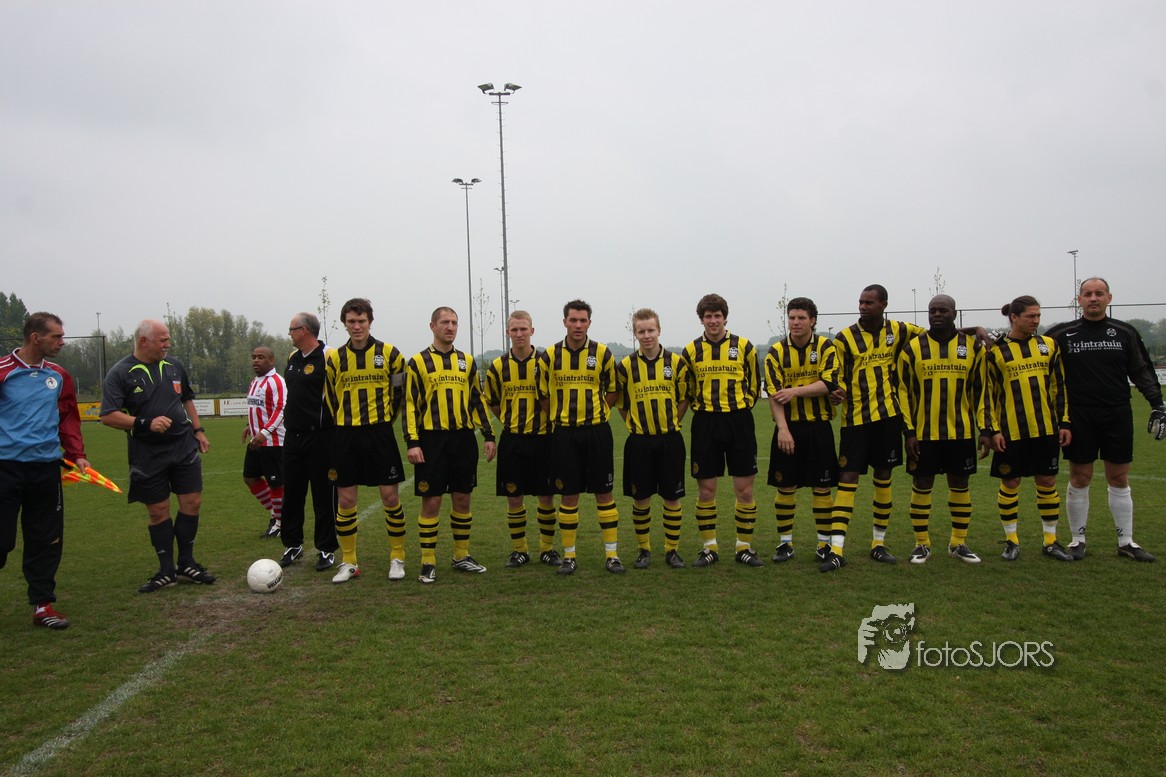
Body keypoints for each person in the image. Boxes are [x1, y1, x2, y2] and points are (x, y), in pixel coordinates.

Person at [1046, 278, 1164, 562]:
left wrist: (1157, 404)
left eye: (1099, 293)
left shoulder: (1124, 332)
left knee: (1119, 477)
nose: (1093, 298)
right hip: (1078, 415)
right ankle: (1077, 540)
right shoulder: (1062, 334)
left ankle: (1126, 542)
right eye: (1087, 294)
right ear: (1079, 300)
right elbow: (1033, 355)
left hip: (1117, 413)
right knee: (1080, 477)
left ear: (1109, 298)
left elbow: (1141, 370)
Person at [100, 319, 216, 592]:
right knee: (158, 510)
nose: (168, 344)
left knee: (192, 502)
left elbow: (186, 399)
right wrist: (145, 423)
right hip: (147, 452)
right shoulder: (121, 372)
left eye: (168, 339)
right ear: (144, 341)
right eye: (163, 340)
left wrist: (198, 429)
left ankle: (186, 563)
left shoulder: (174, 366)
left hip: (183, 446)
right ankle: (166, 571)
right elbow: (108, 415)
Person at [822, 285, 925, 572]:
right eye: (861, 302)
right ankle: (837, 550)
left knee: (883, 477)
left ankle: (878, 544)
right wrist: (835, 392)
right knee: (847, 479)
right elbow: (835, 375)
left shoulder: (900, 330)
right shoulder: (844, 338)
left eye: (869, 302)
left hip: (889, 418)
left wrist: (975, 330)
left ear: (884, 305)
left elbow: (935, 336)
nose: (863, 307)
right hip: (855, 420)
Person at [0, 313, 88, 629]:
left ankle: (42, 606)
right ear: (35, 337)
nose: (62, 342)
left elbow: (68, 418)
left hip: (46, 470)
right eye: (56, 337)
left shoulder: (59, 376)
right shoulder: (4, 371)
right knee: (2, 541)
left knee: (46, 540)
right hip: (5, 469)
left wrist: (77, 455)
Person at [404, 307, 496, 584]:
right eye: (445, 322)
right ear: (432, 326)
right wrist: (413, 442)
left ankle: (461, 556)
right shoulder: (418, 362)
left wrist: (489, 435)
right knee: (432, 501)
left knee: (462, 498)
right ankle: (427, 561)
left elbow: (477, 400)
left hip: (463, 439)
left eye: (454, 322)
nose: (450, 327)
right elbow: (410, 405)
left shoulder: (466, 361)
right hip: (431, 440)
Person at [980, 296, 1074, 562]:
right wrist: (993, 429)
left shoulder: (1049, 345)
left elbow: (1059, 387)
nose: (1036, 321)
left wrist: (1065, 422)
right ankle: (1011, 541)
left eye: (1038, 316)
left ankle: (1050, 541)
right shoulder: (995, 351)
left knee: (1047, 482)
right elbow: (988, 394)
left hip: (1045, 429)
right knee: (1010, 483)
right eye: (1031, 316)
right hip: (1011, 431)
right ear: (1014, 317)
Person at [324, 298, 407, 583]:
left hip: (379, 433)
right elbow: (331, 398)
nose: (357, 326)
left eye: (361, 321)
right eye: (351, 322)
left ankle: (397, 557)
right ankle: (349, 562)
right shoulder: (335, 358)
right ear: (344, 324)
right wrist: (346, 423)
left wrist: (383, 422)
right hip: (345, 434)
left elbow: (398, 394)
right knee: (346, 500)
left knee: (390, 496)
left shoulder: (391, 354)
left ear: (370, 322)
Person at [898, 295, 986, 565]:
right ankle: (921, 544)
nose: (937, 314)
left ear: (954, 314)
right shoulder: (913, 348)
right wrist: (909, 432)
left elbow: (981, 391)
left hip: (960, 432)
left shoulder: (972, 347)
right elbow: (902, 391)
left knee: (959, 483)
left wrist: (984, 429)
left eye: (943, 310)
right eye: (932, 310)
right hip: (923, 433)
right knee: (922, 483)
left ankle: (958, 543)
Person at [538, 300, 623, 575]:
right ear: (564, 321)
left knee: (604, 492)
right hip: (564, 433)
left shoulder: (602, 353)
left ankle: (612, 555)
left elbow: (612, 390)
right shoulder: (550, 355)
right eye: (573, 320)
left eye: (582, 320)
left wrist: (598, 412)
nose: (577, 325)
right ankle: (569, 556)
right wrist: (559, 415)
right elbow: (543, 395)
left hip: (597, 432)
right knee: (568, 494)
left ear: (589, 323)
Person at [680, 293, 763, 568]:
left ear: (725, 318)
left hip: (739, 422)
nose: (713, 321)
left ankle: (744, 547)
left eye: (717, 316)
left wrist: (741, 407)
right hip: (706, 423)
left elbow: (754, 385)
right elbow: (687, 389)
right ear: (701, 319)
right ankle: (709, 548)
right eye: (708, 316)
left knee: (745, 490)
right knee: (706, 492)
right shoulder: (691, 351)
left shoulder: (744, 347)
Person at [764, 297, 839, 565]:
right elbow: (774, 394)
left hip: (819, 427)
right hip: (789, 427)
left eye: (801, 318)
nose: (795, 322)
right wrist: (783, 429)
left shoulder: (826, 347)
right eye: (792, 317)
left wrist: (795, 391)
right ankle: (785, 544)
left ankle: (824, 544)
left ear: (813, 320)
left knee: (822, 487)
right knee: (786, 486)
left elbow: (829, 383)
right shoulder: (776, 352)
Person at [615, 308, 691, 569]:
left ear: (659, 330)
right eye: (641, 331)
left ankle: (672, 550)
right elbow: (621, 404)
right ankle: (644, 550)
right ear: (635, 334)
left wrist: (673, 421)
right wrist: (633, 424)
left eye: (650, 330)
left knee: (672, 497)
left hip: (670, 439)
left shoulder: (677, 362)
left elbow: (684, 398)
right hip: (639, 442)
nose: (646, 335)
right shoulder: (626, 366)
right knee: (641, 498)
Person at [484, 311, 560, 569]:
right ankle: (520, 550)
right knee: (514, 497)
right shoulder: (498, 366)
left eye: (523, 329)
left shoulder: (546, 362)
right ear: (508, 332)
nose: (519, 334)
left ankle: (547, 549)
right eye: (514, 330)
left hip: (544, 439)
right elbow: (493, 402)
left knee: (546, 497)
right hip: (513, 441)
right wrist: (510, 420)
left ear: (532, 331)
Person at [281, 312, 340, 572]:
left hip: (321, 437)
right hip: (293, 437)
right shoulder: (292, 358)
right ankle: (292, 544)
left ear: (304, 330)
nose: (289, 334)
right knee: (292, 494)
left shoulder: (330, 356)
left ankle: (326, 548)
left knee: (323, 494)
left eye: (292, 329)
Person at [242, 346, 287, 545]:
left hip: (273, 441)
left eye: (261, 357)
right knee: (250, 477)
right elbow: (257, 408)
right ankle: (278, 514)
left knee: (276, 483)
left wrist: (265, 432)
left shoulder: (277, 381)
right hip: (256, 439)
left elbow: (281, 409)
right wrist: (249, 426)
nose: (256, 360)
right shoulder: (255, 382)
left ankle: (280, 523)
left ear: (271, 360)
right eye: (254, 357)